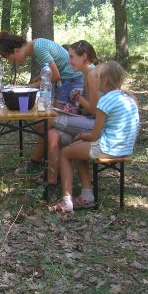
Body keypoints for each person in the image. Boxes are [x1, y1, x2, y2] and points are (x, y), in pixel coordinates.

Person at [49, 61, 140, 212]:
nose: (93, 80)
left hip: (108, 148)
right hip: (124, 148)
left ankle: (66, 201)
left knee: (66, 152)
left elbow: (94, 135)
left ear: (103, 80)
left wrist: (83, 136)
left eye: (95, 77)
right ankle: (86, 196)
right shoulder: (127, 98)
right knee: (76, 149)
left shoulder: (105, 100)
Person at [0, 31, 83, 183]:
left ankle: (42, 166)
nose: (15, 62)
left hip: (71, 82)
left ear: (16, 50)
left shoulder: (39, 48)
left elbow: (55, 76)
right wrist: (39, 79)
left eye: (13, 59)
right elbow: (50, 72)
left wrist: (29, 86)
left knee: (47, 125)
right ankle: (43, 164)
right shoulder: (37, 44)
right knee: (45, 126)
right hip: (67, 82)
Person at [46, 40, 101, 190]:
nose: (69, 61)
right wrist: (74, 108)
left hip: (98, 127)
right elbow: (88, 107)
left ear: (83, 56)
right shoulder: (85, 73)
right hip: (89, 121)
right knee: (52, 133)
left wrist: (78, 98)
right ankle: (52, 180)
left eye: (71, 57)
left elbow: (96, 111)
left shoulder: (92, 74)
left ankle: (39, 165)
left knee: (50, 119)